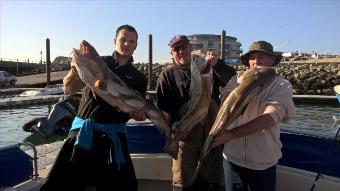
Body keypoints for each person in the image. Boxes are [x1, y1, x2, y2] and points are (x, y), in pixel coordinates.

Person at [40, 24, 147, 191]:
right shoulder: (98, 61)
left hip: (113, 138)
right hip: (82, 133)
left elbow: (135, 110)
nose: (126, 44)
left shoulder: (139, 78)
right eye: (123, 39)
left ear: (136, 45)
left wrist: (138, 115)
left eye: (131, 41)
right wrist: (75, 72)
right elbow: (68, 89)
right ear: (114, 40)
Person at [211, 40, 296, 191]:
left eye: (262, 56)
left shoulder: (281, 85)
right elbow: (224, 101)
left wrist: (231, 134)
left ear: (272, 60)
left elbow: (270, 117)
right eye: (252, 57)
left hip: (262, 163)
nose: (256, 61)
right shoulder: (236, 80)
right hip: (232, 159)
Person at [156, 35, 236, 191]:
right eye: (176, 49)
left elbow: (231, 78)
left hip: (212, 138)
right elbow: (163, 108)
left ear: (190, 48)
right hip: (185, 140)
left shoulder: (210, 69)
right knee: (183, 184)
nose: (181, 51)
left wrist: (217, 64)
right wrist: (173, 126)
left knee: (212, 184)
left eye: (183, 47)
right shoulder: (167, 75)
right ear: (171, 54)